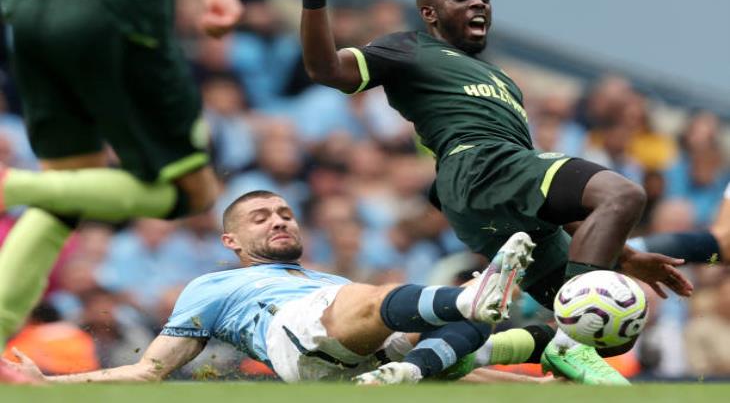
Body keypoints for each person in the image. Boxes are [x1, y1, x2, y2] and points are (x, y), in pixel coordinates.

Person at [288, 0, 693, 384]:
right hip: (478, 164)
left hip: (495, 195)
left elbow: (559, 204)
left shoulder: (501, 80)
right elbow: (325, 68)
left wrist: (622, 257)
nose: (479, 3)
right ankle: (567, 345)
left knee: (614, 329)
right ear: (430, 13)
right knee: (622, 192)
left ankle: (468, 355)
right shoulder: (410, 47)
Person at [1, 190, 561, 385]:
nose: (280, 220)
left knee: (445, 346)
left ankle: (456, 329)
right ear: (231, 240)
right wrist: (51, 383)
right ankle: (469, 298)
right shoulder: (215, 284)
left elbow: (463, 374)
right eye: (263, 216)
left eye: (287, 213)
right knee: (385, 296)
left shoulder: (328, 279)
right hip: (293, 334)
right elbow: (150, 370)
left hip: (362, 363)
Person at [0, 0, 243, 350]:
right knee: (196, 193)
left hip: (33, 13)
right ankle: (12, 183)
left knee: (64, 199)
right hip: (115, 12)